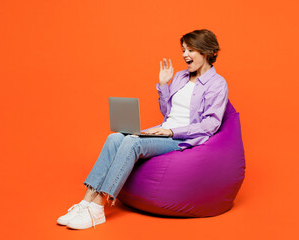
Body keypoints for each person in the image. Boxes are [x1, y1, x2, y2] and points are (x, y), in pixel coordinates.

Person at [57, 29, 228, 230]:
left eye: (190, 50)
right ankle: (85, 203)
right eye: (183, 50)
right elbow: (167, 113)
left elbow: (210, 125)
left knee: (132, 142)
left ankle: (97, 208)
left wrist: (172, 132)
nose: (184, 55)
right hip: (164, 129)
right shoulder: (181, 77)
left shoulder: (218, 84)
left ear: (206, 51)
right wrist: (164, 84)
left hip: (181, 138)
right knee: (114, 138)